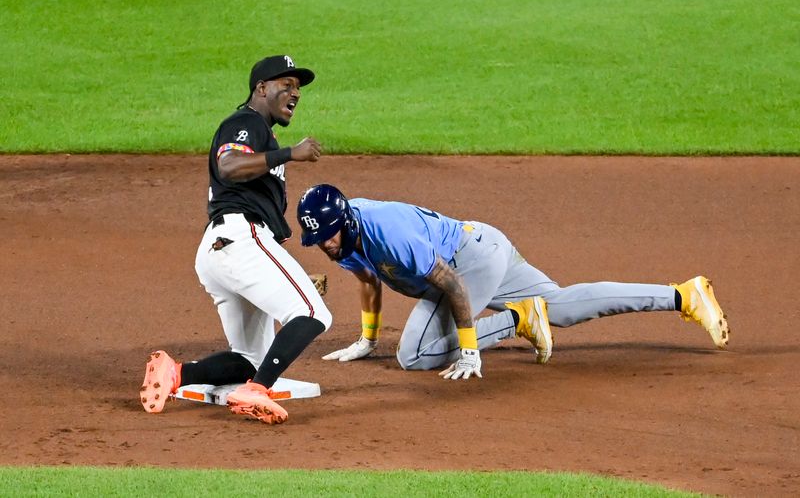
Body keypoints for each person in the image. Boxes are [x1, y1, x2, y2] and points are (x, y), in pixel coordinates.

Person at [295, 184, 729, 380]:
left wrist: (470, 350)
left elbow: (453, 285)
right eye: (318, 239)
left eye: (328, 235)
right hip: (486, 245)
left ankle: (519, 320)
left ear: (346, 220)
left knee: (416, 355)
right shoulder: (343, 238)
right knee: (561, 308)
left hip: (471, 261)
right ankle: (683, 295)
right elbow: (368, 280)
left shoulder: (388, 232)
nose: (325, 246)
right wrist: (368, 340)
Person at [140, 55, 332, 424]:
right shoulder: (247, 122)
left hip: (222, 248)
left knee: (252, 359)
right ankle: (255, 393)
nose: (295, 93)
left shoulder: (262, 132)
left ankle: (176, 374)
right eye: (286, 85)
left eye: (298, 88)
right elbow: (229, 165)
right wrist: (291, 153)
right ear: (261, 88)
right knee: (311, 313)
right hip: (240, 237)